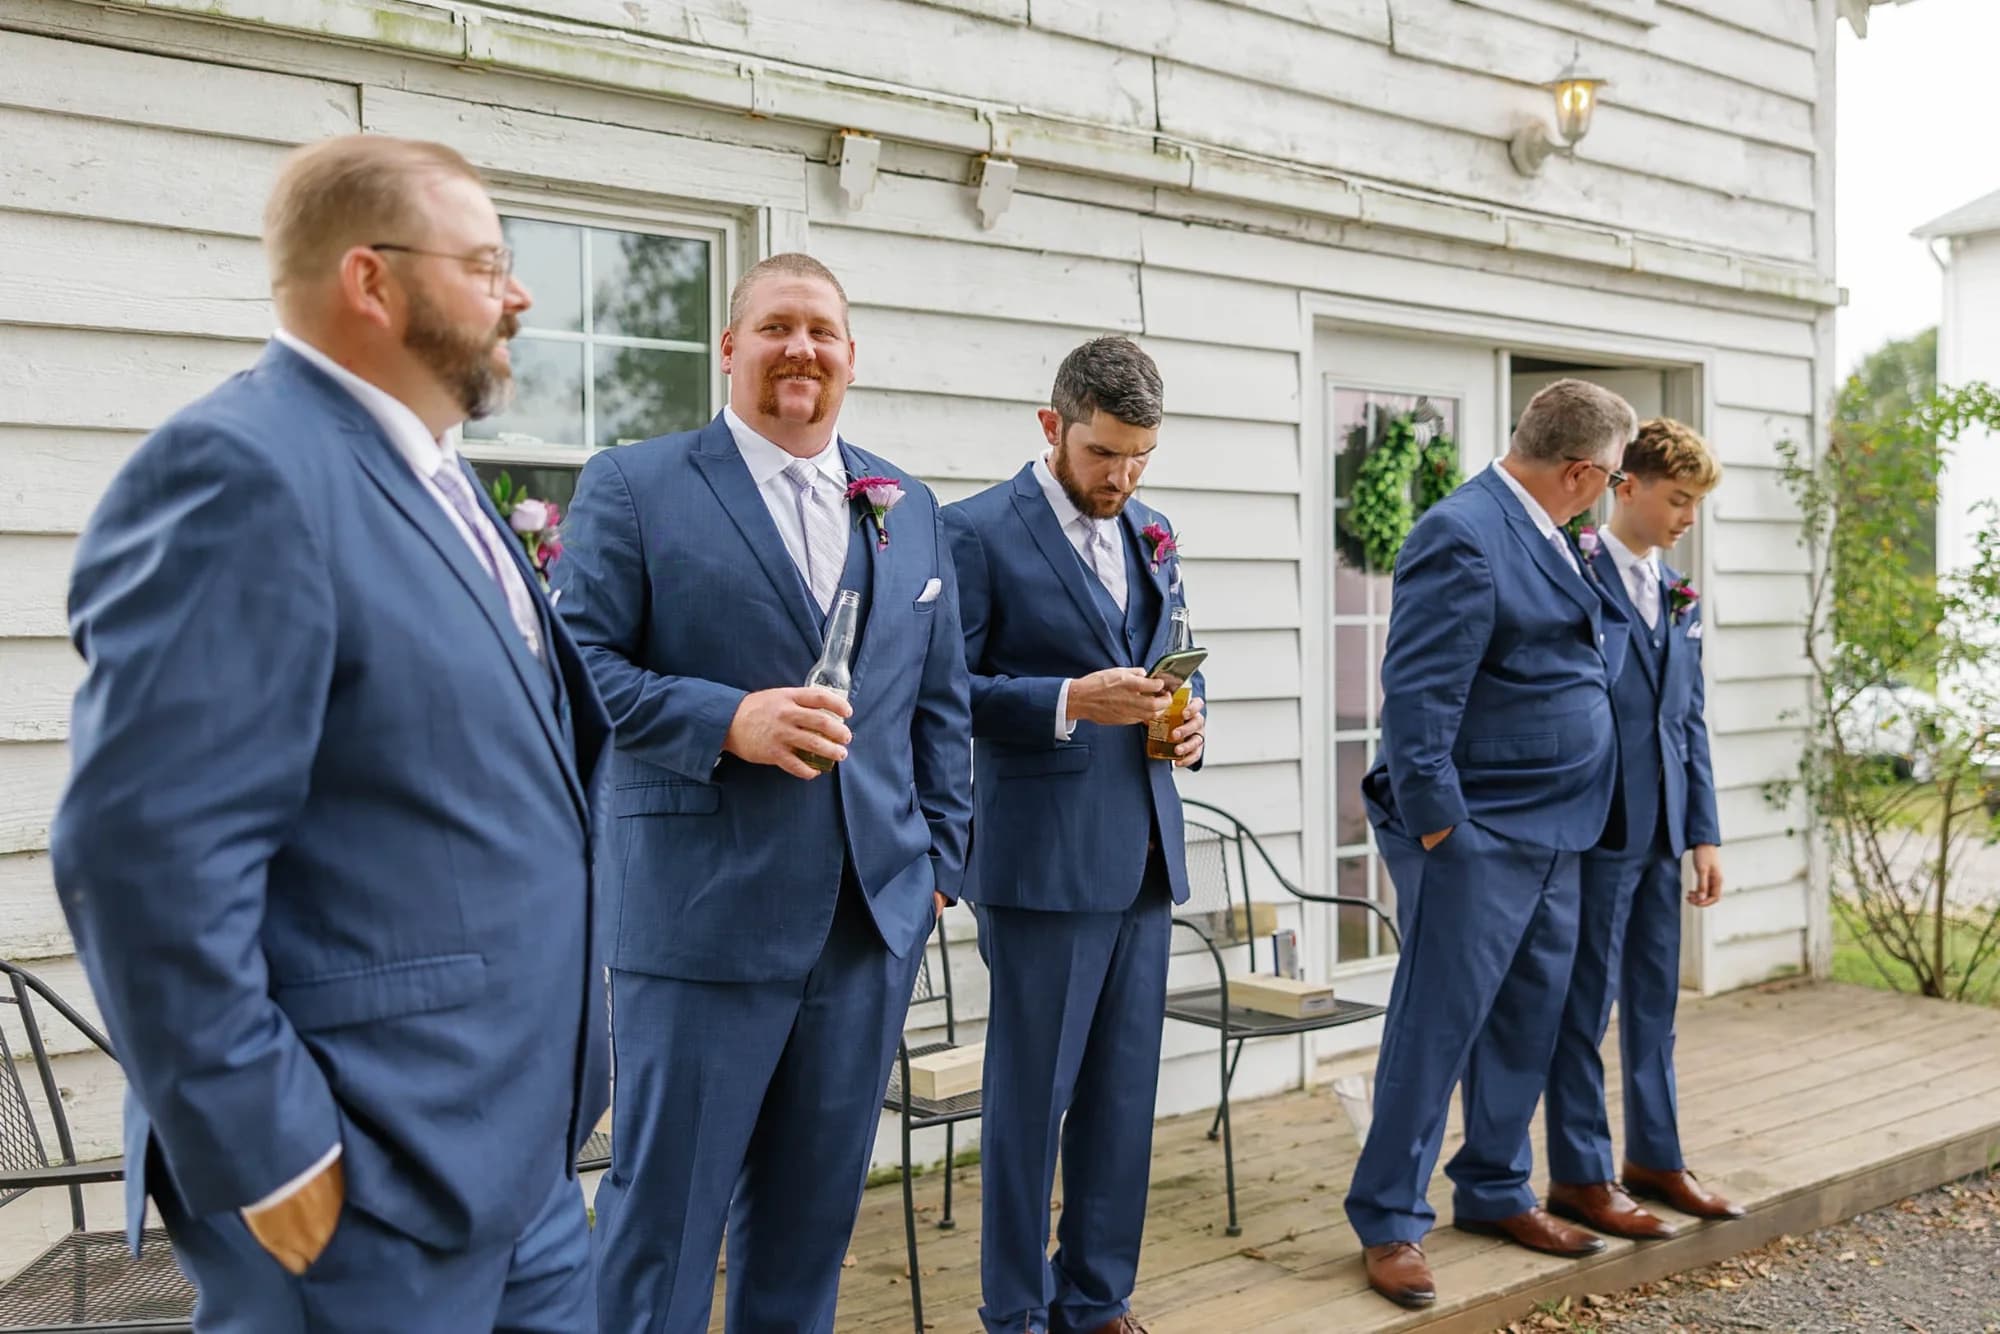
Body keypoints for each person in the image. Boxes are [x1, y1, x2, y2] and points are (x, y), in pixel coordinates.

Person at [50, 134, 611, 1331]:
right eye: (486, 263)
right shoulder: (243, 472)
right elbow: (141, 852)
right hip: (365, 1182)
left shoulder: (441, 480)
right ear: (372, 279)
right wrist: (272, 1151)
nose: (517, 294)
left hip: (518, 1164)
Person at [556, 252, 973, 1334]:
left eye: (822, 331)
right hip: (700, 918)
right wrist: (725, 720)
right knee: (664, 1227)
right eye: (777, 326)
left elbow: (938, 701)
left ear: (850, 357)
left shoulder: (909, 505)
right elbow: (573, 667)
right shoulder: (635, 485)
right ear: (729, 347)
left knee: (807, 1228)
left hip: (866, 926)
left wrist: (938, 862)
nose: (801, 348)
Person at [1346, 378, 1638, 1309]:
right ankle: (1390, 1218)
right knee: (1435, 1029)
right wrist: (1445, 831)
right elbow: (1417, 699)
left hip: (1561, 825)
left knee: (1528, 1018)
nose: (1611, 491)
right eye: (1613, 476)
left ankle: (1496, 1187)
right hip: (1478, 831)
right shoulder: (1462, 533)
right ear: (1581, 471)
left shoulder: (1553, 530)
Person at [943, 336, 1206, 1334]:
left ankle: (1095, 1297)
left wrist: (1190, 719)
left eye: (1140, 457)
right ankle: (1015, 1309)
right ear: (1052, 424)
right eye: (1103, 454)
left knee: (1122, 1096)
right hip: (1041, 865)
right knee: (1031, 1103)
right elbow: (941, 693)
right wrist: (1064, 699)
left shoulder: (1154, 530)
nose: (1122, 478)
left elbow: (1174, 653)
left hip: (1145, 855)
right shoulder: (973, 531)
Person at [1540, 417, 1741, 1239]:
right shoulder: (1573, 571)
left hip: (1662, 833)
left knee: (1655, 1004)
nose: (1688, 516)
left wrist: (1704, 834)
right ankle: (1581, 1175)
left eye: (1697, 503)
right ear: (1627, 487)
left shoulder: (1678, 591)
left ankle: (1656, 1157)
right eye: (1679, 499)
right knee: (1584, 1007)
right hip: (1594, 829)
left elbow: (1687, 720)